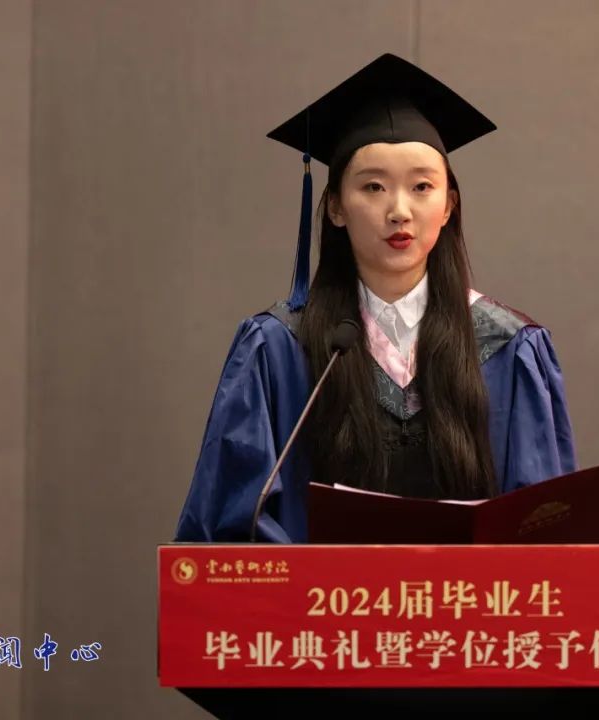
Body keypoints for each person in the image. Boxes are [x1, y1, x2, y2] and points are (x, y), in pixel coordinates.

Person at [173, 53, 576, 543]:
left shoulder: (509, 348)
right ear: (336, 208)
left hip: (465, 596)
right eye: (373, 187)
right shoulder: (279, 348)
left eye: (422, 186)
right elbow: (233, 527)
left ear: (448, 206)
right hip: (320, 595)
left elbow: (542, 534)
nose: (399, 210)